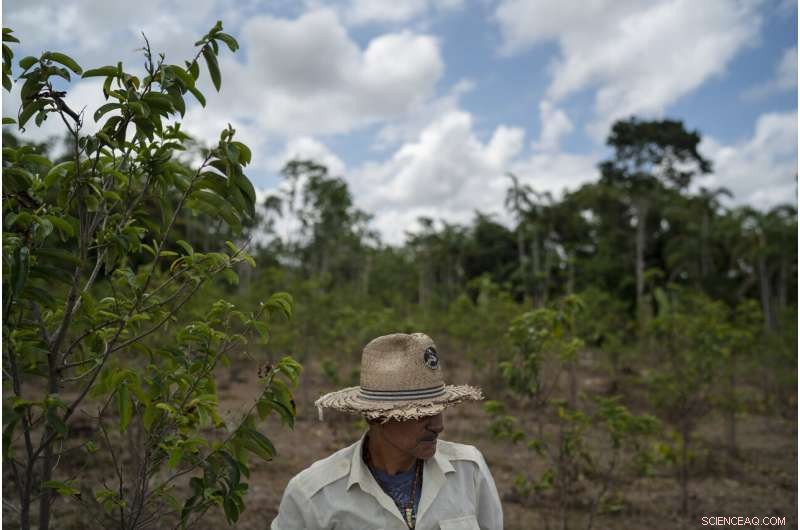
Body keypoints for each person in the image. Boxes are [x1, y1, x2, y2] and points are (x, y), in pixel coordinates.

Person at [271, 332, 503, 529]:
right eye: (419, 413)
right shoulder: (314, 495)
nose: (438, 425)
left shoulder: (468, 471)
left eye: (440, 408)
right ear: (375, 416)